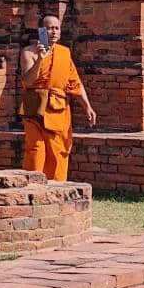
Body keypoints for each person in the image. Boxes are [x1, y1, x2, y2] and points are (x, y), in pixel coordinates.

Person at [20, 15, 96, 180]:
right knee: (35, 150)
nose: (53, 31)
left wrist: (87, 107)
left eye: (56, 28)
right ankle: (32, 189)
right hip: (35, 109)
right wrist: (40, 58)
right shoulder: (28, 53)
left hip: (58, 109)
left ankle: (57, 192)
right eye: (49, 28)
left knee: (58, 151)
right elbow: (27, 80)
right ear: (41, 31)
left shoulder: (64, 53)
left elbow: (75, 83)